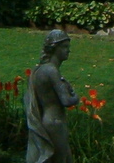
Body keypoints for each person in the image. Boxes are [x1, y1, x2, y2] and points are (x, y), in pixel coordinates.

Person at [25, 29, 79, 163]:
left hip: (46, 120)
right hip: (55, 122)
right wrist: (76, 96)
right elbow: (66, 100)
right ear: (55, 48)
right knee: (60, 159)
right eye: (65, 47)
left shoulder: (39, 70)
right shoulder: (51, 71)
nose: (68, 50)